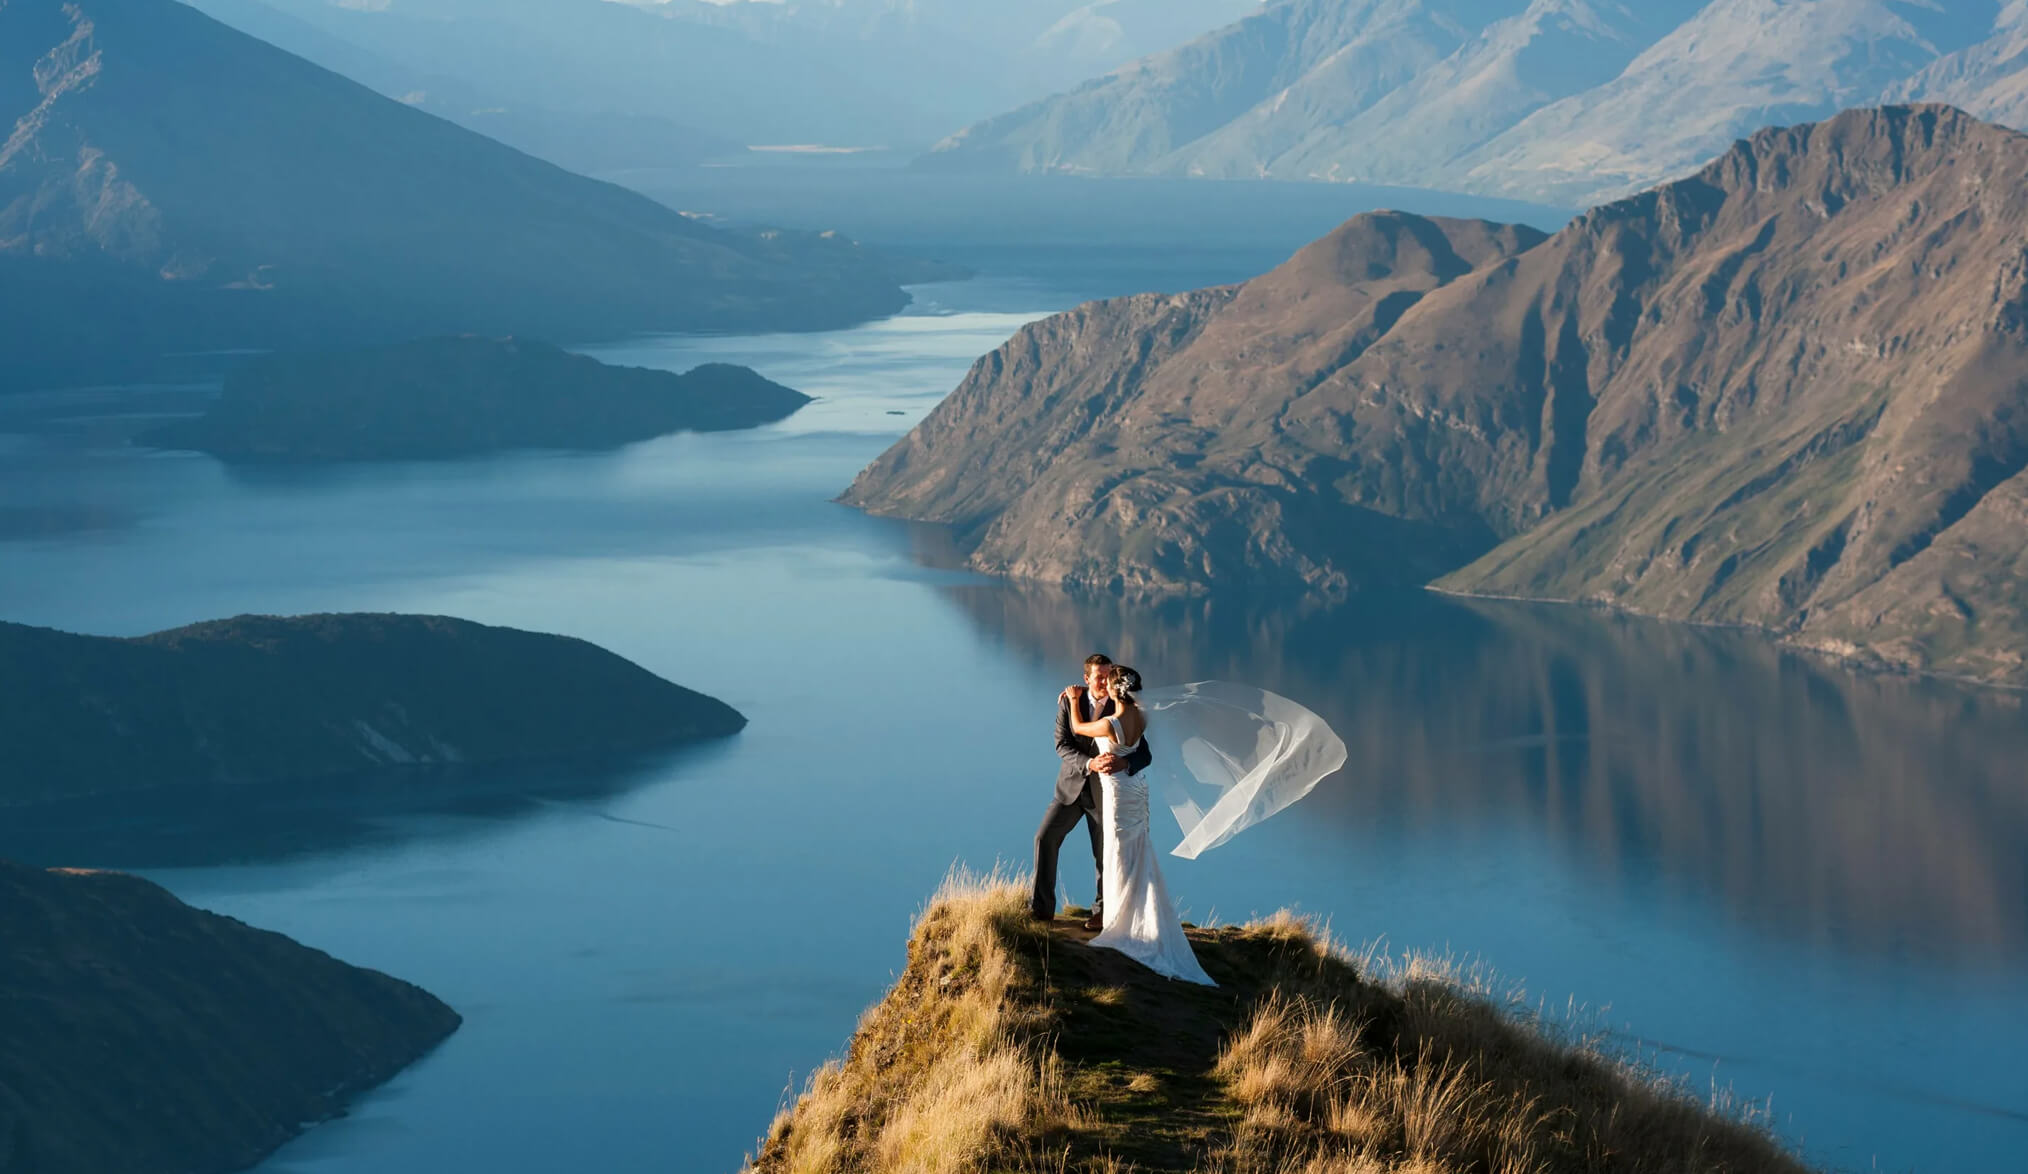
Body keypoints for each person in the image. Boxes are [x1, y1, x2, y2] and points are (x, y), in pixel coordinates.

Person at [1061, 664, 1215, 985]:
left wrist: (1075, 700)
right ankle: (1133, 917)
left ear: (1116, 691)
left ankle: (1121, 923)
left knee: (1117, 851)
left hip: (1118, 790)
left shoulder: (1108, 724)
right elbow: (1142, 750)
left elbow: (1077, 728)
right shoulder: (1142, 718)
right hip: (1138, 788)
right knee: (1137, 848)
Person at [1030, 653, 1150, 929]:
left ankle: (1102, 912)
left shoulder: (1124, 708)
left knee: (1104, 853)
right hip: (1070, 789)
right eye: (1098, 677)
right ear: (1086, 678)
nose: (1104, 682)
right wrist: (1089, 763)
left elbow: (1145, 754)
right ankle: (1041, 910)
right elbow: (1062, 744)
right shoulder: (1068, 702)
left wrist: (1125, 761)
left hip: (1106, 795)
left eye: (1108, 677)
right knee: (1044, 838)